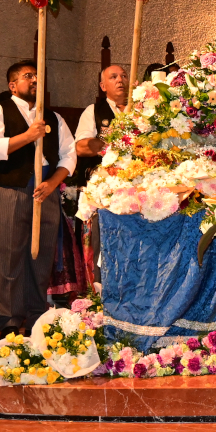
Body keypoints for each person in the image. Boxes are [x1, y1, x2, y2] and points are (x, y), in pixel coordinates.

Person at [0, 60, 76, 337]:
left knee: (42, 255)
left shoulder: (54, 118)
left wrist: (52, 183)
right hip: (12, 189)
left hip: (46, 188)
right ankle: (10, 317)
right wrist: (28, 136)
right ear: (12, 85)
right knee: (10, 254)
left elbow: (69, 155)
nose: (35, 80)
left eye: (37, 76)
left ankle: (37, 314)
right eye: (28, 76)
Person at [74, 64, 128, 282]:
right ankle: (97, 285)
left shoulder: (143, 110)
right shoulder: (94, 111)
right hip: (105, 188)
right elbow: (80, 147)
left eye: (124, 76)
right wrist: (111, 145)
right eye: (113, 77)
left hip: (137, 187)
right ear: (102, 86)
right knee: (101, 241)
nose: (120, 80)